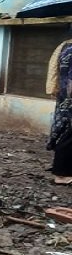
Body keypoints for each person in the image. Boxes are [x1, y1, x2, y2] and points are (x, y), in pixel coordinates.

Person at [47, 39, 72, 185]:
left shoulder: (65, 47)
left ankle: (63, 171)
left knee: (65, 132)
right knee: (68, 136)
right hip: (69, 98)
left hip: (64, 97)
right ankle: (61, 175)